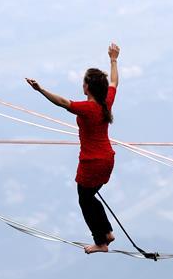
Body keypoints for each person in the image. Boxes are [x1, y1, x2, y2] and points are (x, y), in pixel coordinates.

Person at [26, 42, 120, 253]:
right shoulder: (106, 101)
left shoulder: (88, 108)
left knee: (85, 199)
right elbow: (114, 81)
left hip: (92, 162)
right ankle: (106, 232)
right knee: (90, 196)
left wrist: (40, 89)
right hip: (107, 159)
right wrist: (113, 60)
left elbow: (61, 102)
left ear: (87, 87)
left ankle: (101, 242)